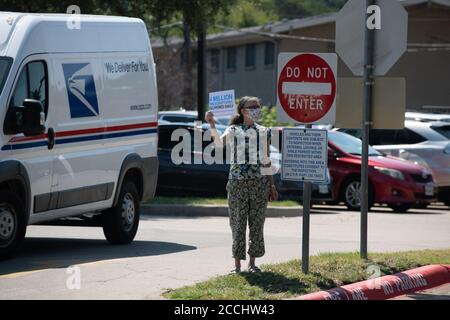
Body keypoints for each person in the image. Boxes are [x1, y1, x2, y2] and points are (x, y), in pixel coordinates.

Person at [205, 96, 278, 273]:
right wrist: (212, 124)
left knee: (257, 223)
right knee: (237, 223)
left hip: (259, 185)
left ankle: (252, 263)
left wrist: (271, 185)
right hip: (237, 184)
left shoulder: (264, 131)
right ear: (243, 110)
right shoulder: (233, 129)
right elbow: (218, 144)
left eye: (258, 106)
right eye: (253, 106)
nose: (257, 109)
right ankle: (237, 265)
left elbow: (266, 159)